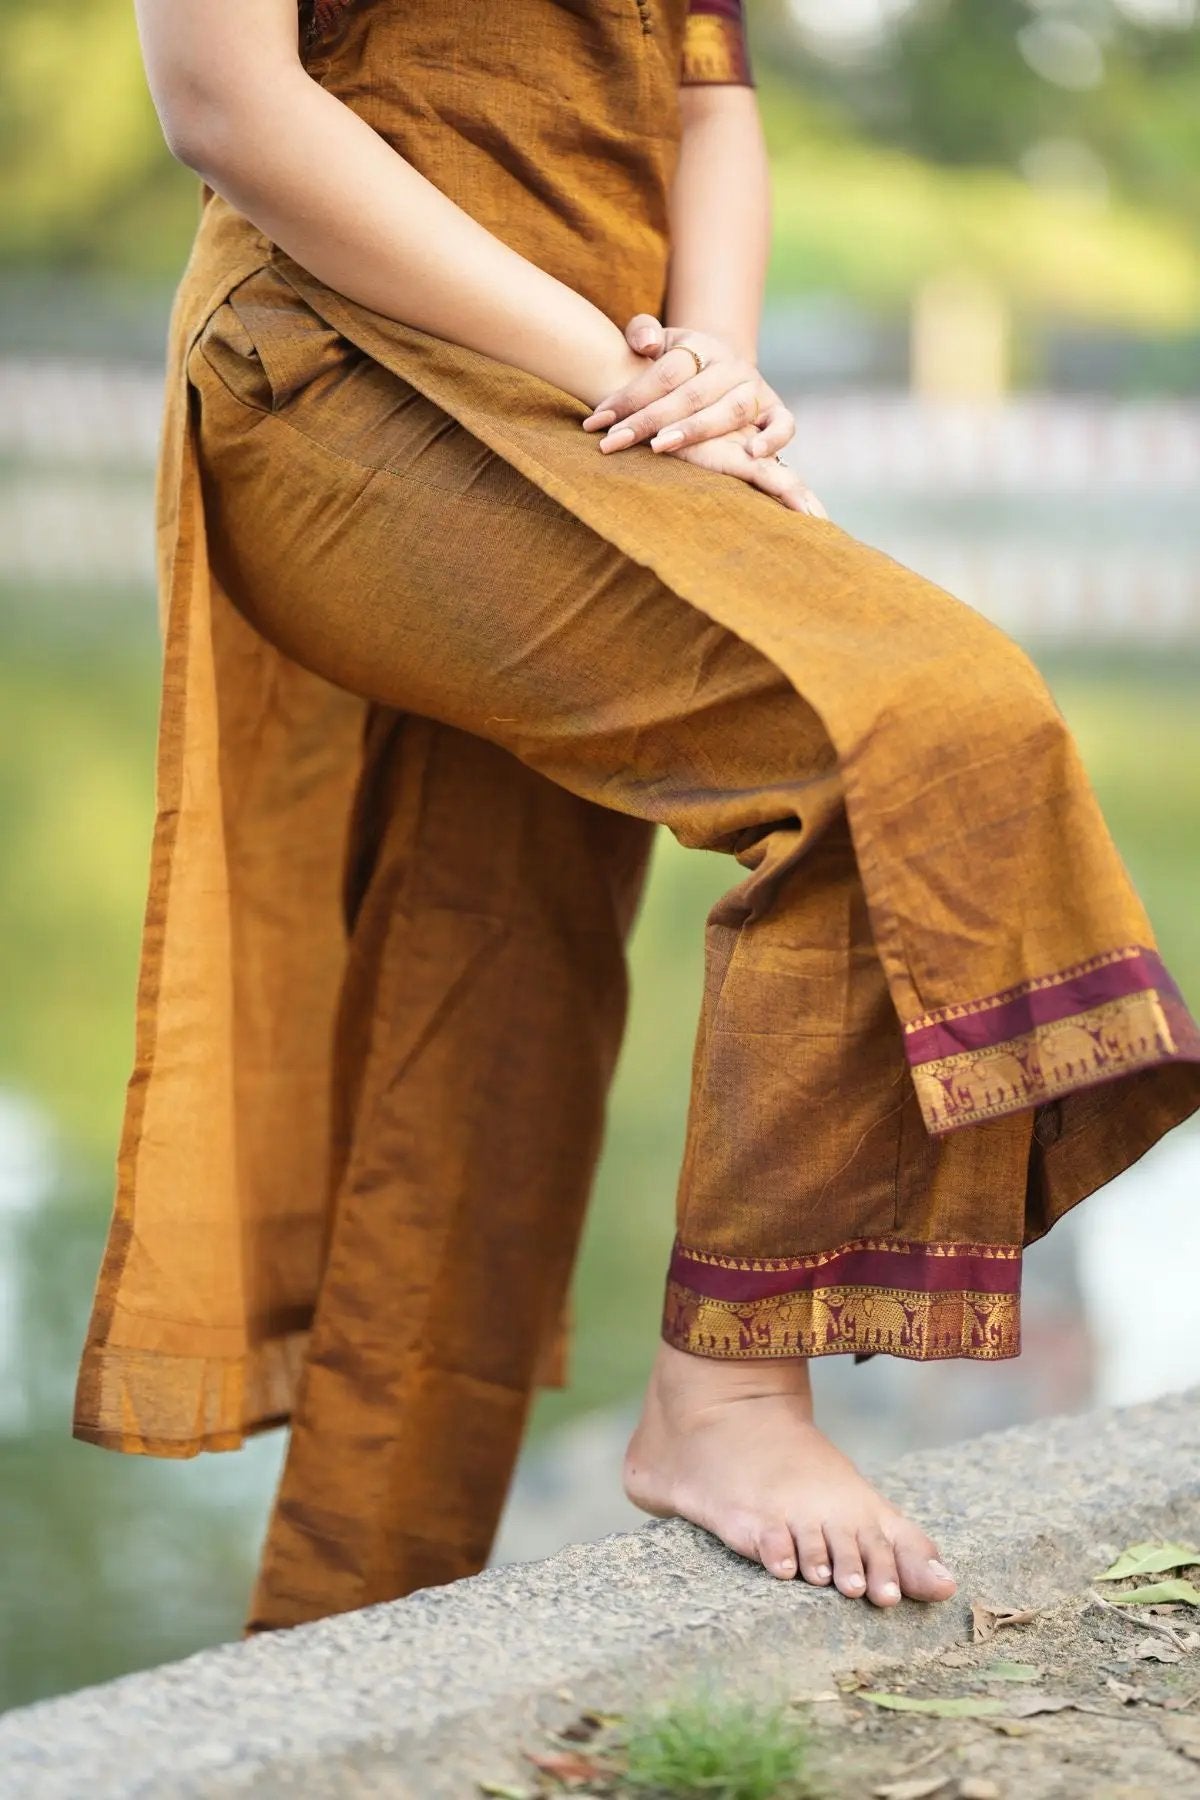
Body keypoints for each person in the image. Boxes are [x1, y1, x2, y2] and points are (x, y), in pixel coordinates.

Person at [74, 0, 1200, 1636]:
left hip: (603, 398)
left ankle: (352, 1642)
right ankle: (728, 1404)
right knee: (903, 723)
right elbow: (225, 100)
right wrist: (623, 372)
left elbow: (706, 91)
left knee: (483, 1032)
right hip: (354, 362)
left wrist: (714, 374)